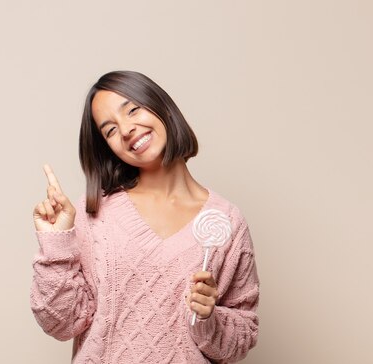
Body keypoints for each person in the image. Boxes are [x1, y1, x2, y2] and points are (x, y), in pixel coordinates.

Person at [30, 70, 260, 363]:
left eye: (133, 110)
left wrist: (208, 317)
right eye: (110, 130)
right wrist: (56, 244)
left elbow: (243, 337)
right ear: (107, 147)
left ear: (161, 106)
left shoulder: (227, 221)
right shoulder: (94, 214)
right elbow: (60, 323)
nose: (126, 129)